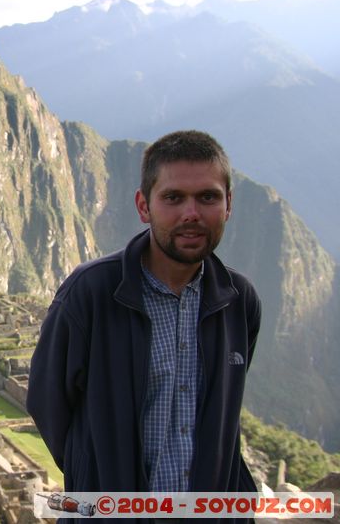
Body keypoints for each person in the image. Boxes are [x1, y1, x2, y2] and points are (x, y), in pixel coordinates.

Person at [27, 131, 260, 509]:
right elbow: (47, 402)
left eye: (208, 197)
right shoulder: (91, 294)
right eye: (173, 198)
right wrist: (97, 477)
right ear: (144, 205)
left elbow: (224, 411)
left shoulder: (238, 301)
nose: (191, 214)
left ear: (228, 204)